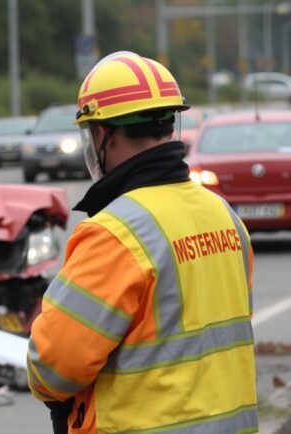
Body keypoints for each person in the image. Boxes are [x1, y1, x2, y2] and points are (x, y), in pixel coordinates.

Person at [27, 51, 257, 433]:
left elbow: (53, 368)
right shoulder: (223, 215)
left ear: (103, 134)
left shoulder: (114, 233)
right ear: (170, 124)